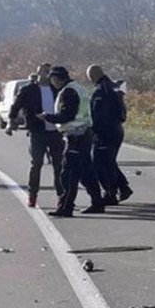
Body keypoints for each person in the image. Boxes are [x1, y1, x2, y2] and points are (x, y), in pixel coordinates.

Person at [38, 66, 105, 217]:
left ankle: (66, 207)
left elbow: (67, 115)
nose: (52, 83)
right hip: (84, 133)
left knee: (68, 174)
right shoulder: (78, 87)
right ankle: (97, 202)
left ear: (57, 78)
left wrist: (47, 117)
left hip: (76, 136)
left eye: (53, 80)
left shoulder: (68, 91)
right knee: (86, 172)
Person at [5, 63, 64, 208]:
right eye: (43, 72)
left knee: (59, 165)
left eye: (48, 72)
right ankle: (32, 196)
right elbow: (16, 106)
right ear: (37, 73)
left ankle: (62, 196)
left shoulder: (57, 89)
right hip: (37, 132)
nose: (46, 75)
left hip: (56, 132)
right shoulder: (28, 90)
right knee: (36, 164)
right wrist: (10, 123)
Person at [87, 64, 132, 205]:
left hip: (106, 131)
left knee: (99, 163)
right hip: (116, 129)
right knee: (108, 161)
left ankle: (112, 192)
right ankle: (120, 189)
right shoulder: (113, 87)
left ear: (93, 76)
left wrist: (93, 129)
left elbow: (99, 114)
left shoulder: (102, 90)